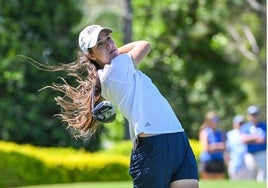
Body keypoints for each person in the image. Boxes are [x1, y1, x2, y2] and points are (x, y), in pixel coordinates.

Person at [27, 25, 199, 188]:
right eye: (100, 44)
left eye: (108, 38)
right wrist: (115, 53)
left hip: (175, 135)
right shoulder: (115, 69)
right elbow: (144, 45)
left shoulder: (110, 72)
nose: (108, 44)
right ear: (91, 55)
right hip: (155, 144)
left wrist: (109, 53)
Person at [240, 105, 267, 182]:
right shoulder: (245, 127)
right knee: (250, 175)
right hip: (250, 154)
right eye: (252, 115)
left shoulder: (264, 126)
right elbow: (243, 139)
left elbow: (263, 139)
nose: (254, 117)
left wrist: (250, 138)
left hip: (262, 153)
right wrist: (256, 137)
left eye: (255, 115)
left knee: (263, 175)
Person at [199, 111, 226, 179]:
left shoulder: (221, 132)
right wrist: (218, 146)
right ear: (209, 121)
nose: (216, 122)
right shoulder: (204, 132)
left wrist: (213, 146)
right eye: (214, 120)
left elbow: (224, 146)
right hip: (207, 161)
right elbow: (206, 148)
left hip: (219, 161)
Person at [225, 114, 254, 180]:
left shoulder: (248, 132)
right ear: (234, 124)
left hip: (247, 165)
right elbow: (227, 151)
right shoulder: (230, 135)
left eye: (243, 123)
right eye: (240, 123)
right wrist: (228, 164)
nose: (241, 125)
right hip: (235, 163)